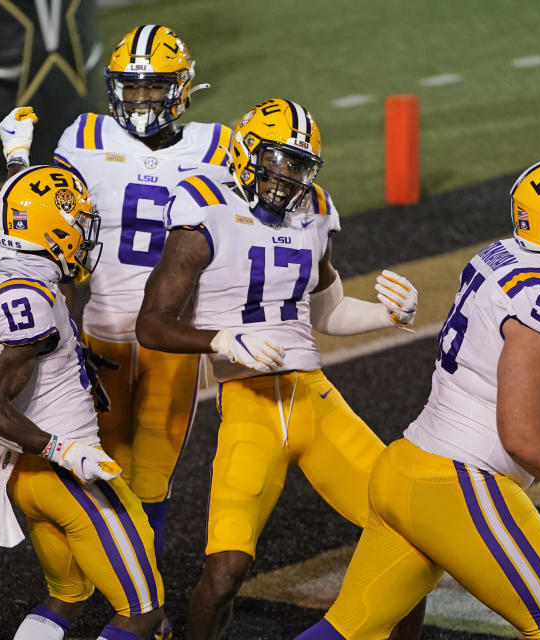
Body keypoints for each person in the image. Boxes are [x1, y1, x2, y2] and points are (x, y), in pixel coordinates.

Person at [296, 155, 540, 640]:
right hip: (462, 481)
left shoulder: (501, 256)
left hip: (408, 468)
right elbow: (521, 436)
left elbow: (489, 374)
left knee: (348, 629)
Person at [135, 98, 425, 640]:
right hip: (250, 408)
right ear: (247, 150)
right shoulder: (203, 208)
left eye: (298, 165)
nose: (285, 177)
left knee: (410, 532)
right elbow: (151, 325)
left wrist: (389, 314)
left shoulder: (315, 209)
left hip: (314, 398)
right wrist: (221, 339)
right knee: (226, 573)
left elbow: (327, 311)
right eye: (277, 159)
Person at [50, 24, 231, 639]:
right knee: (101, 472)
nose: (140, 101)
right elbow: (49, 227)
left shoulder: (219, 145)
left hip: (170, 345)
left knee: (148, 483)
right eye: (130, 88)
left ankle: (129, 604)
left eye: (154, 89)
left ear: (181, 88)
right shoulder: (83, 137)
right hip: (101, 334)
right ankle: (131, 608)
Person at [0, 160, 165, 640]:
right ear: (52, 230)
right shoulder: (31, 301)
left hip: (24, 477)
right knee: (146, 614)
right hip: (67, 473)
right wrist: (64, 449)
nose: (84, 233)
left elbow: (36, 262)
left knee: (68, 597)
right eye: (77, 223)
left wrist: (16, 161)